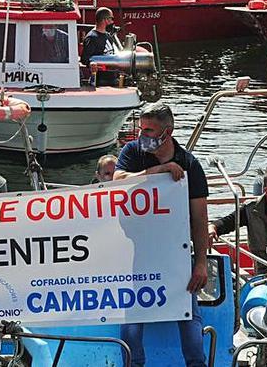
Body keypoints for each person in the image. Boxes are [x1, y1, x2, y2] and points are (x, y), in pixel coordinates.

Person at [113, 102, 209, 367]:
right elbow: (117, 181)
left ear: (168, 131)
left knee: (188, 312)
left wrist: (200, 262)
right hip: (137, 251)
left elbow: (200, 218)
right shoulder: (133, 152)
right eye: (141, 128)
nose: (143, 135)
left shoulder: (190, 164)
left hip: (174, 253)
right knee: (133, 313)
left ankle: (196, 364)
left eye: (150, 130)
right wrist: (157, 172)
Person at [208, 169, 267, 273]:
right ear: (266, 191)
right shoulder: (250, 210)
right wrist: (212, 227)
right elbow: (227, 223)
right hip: (263, 269)